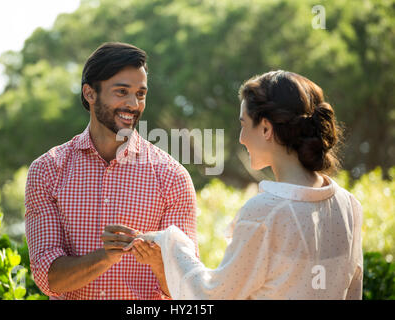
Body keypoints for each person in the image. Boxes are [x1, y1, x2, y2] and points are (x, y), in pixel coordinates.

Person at [132, 70, 363, 299]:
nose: (241, 138)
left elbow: (212, 297)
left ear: (265, 128)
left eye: (244, 124)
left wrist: (172, 242)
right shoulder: (349, 206)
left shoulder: (264, 213)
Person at [24, 42, 198, 300]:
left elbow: (187, 287)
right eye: (122, 91)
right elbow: (47, 276)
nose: (133, 104)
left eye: (140, 94)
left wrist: (160, 264)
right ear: (89, 93)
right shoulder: (47, 170)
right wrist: (105, 257)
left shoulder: (172, 177)